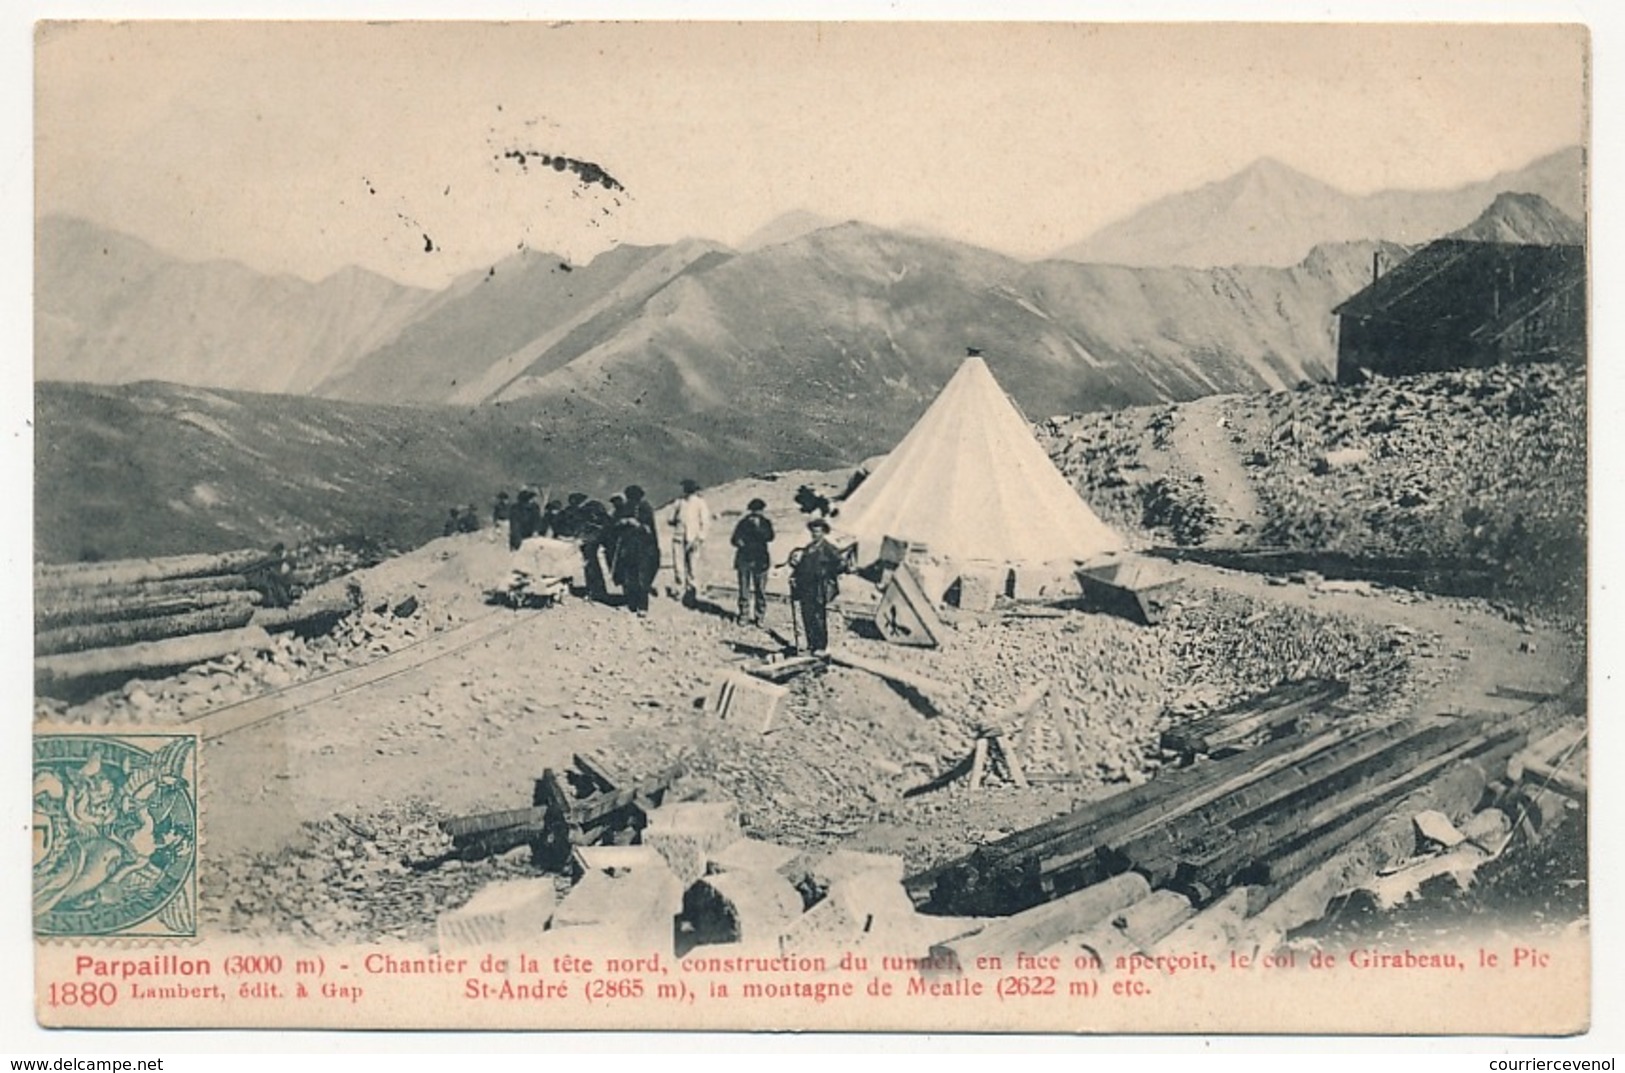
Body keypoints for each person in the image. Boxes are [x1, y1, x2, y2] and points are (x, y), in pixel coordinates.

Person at [788, 518, 848, 654]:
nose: (815, 534)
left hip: (820, 588)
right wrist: (794, 577)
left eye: (818, 531)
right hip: (806, 587)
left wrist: (827, 573)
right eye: (813, 532)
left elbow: (842, 565)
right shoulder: (809, 548)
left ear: (823, 532)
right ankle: (811, 645)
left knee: (818, 617)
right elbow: (801, 567)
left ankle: (821, 646)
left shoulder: (828, 548)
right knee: (807, 616)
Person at [612, 484, 661, 616]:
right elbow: (614, 525)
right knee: (629, 576)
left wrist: (637, 524)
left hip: (643, 548)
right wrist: (623, 522)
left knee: (642, 577)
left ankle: (642, 606)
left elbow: (649, 530)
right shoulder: (624, 508)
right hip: (628, 548)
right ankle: (631, 603)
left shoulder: (645, 508)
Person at [730, 498, 775, 626]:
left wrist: (758, 528)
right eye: (754, 511)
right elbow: (733, 539)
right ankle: (744, 615)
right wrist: (738, 541)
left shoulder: (766, 523)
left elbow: (770, 537)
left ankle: (759, 616)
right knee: (744, 590)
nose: (756, 513)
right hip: (744, 560)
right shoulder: (742, 523)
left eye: (759, 511)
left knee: (760, 590)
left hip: (761, 560)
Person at [668, 478, 712, 606]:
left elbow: (705, 522)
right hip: (678, 537)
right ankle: (679, 590)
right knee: (678, 566)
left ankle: (691, 592)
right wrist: (675, 521)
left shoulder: (700, 503)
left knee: (692, 566)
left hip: (693, 538)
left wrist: (700, 538)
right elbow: (671, 518)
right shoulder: (679, 502)